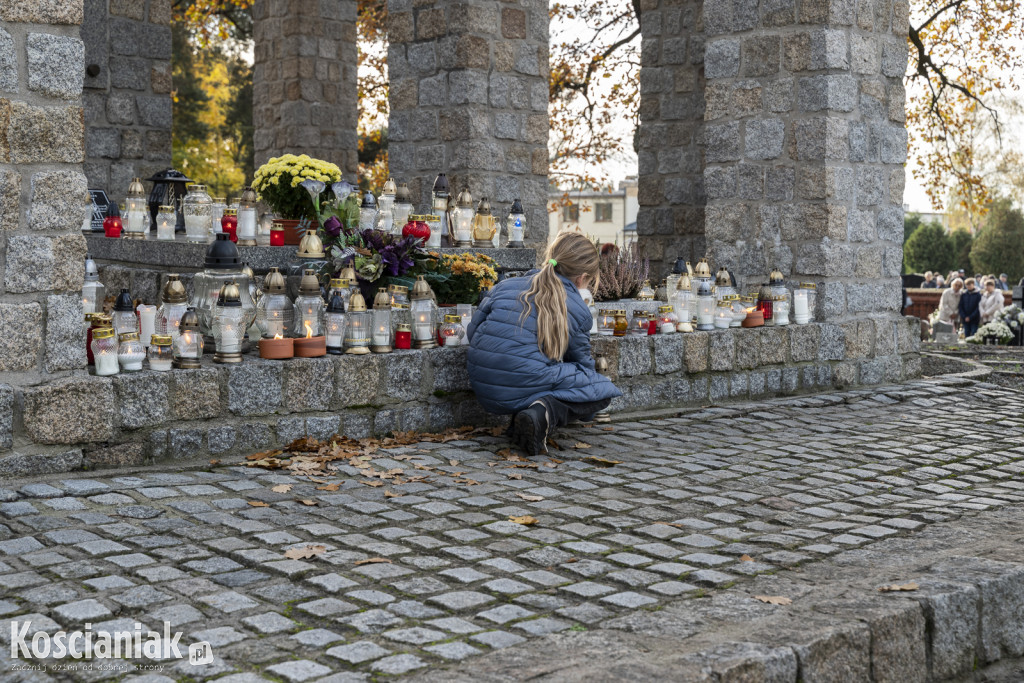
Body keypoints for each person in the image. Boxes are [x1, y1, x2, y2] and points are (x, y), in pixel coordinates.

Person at [467, 232, 622, 456]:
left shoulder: (505, 285)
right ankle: (541, 412)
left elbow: (473, 332)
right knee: (602, 388)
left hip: (483, 384)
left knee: (534, 369)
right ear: (582, 278)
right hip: (521, 381)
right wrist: (588, 404)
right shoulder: (578, 308)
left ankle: (525, 416)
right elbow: (581, 363)